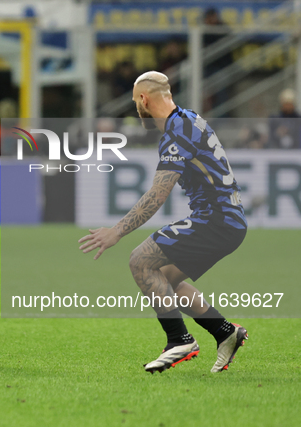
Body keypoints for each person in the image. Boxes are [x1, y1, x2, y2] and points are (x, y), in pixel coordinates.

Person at [79, 71, 248, 374]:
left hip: (217, 219)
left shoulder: (177, 132)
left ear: (143, 99)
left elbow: (158, 195)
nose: (136, 108)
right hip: (227, 219)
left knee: (140, 261)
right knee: (164, 280)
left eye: (135, 101)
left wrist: (116, 232)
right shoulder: (189, 118)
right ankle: (225, 332)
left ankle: (179, 341)